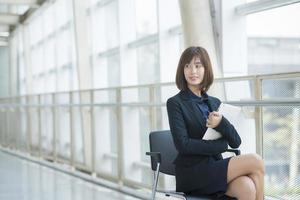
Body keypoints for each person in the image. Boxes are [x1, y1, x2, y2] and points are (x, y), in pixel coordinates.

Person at [166, 46, 264, 200]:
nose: (193, 71)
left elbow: (235, 142)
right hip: (192, 172)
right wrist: (220, 146)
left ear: (206, 69)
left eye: (198, 66)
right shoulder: (175, 103)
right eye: (187, 66)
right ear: (182, 70)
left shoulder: (214, 102)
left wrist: (220, 123)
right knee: (256, 161)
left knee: (247, 187)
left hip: (214, 167)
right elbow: (183, 145)